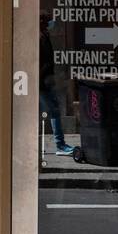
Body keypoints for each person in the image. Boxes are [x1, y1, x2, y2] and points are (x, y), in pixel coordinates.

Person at [40, 14, 75, 156]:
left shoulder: (44, 36)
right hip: (43, 83)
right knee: (54, 112)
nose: (52, 24)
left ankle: (60, 145)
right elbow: (42, 62)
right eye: (49, 22)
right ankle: (60, 145)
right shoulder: (40, 38)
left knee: (52, 112)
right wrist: (46, 80)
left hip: (44, 82)